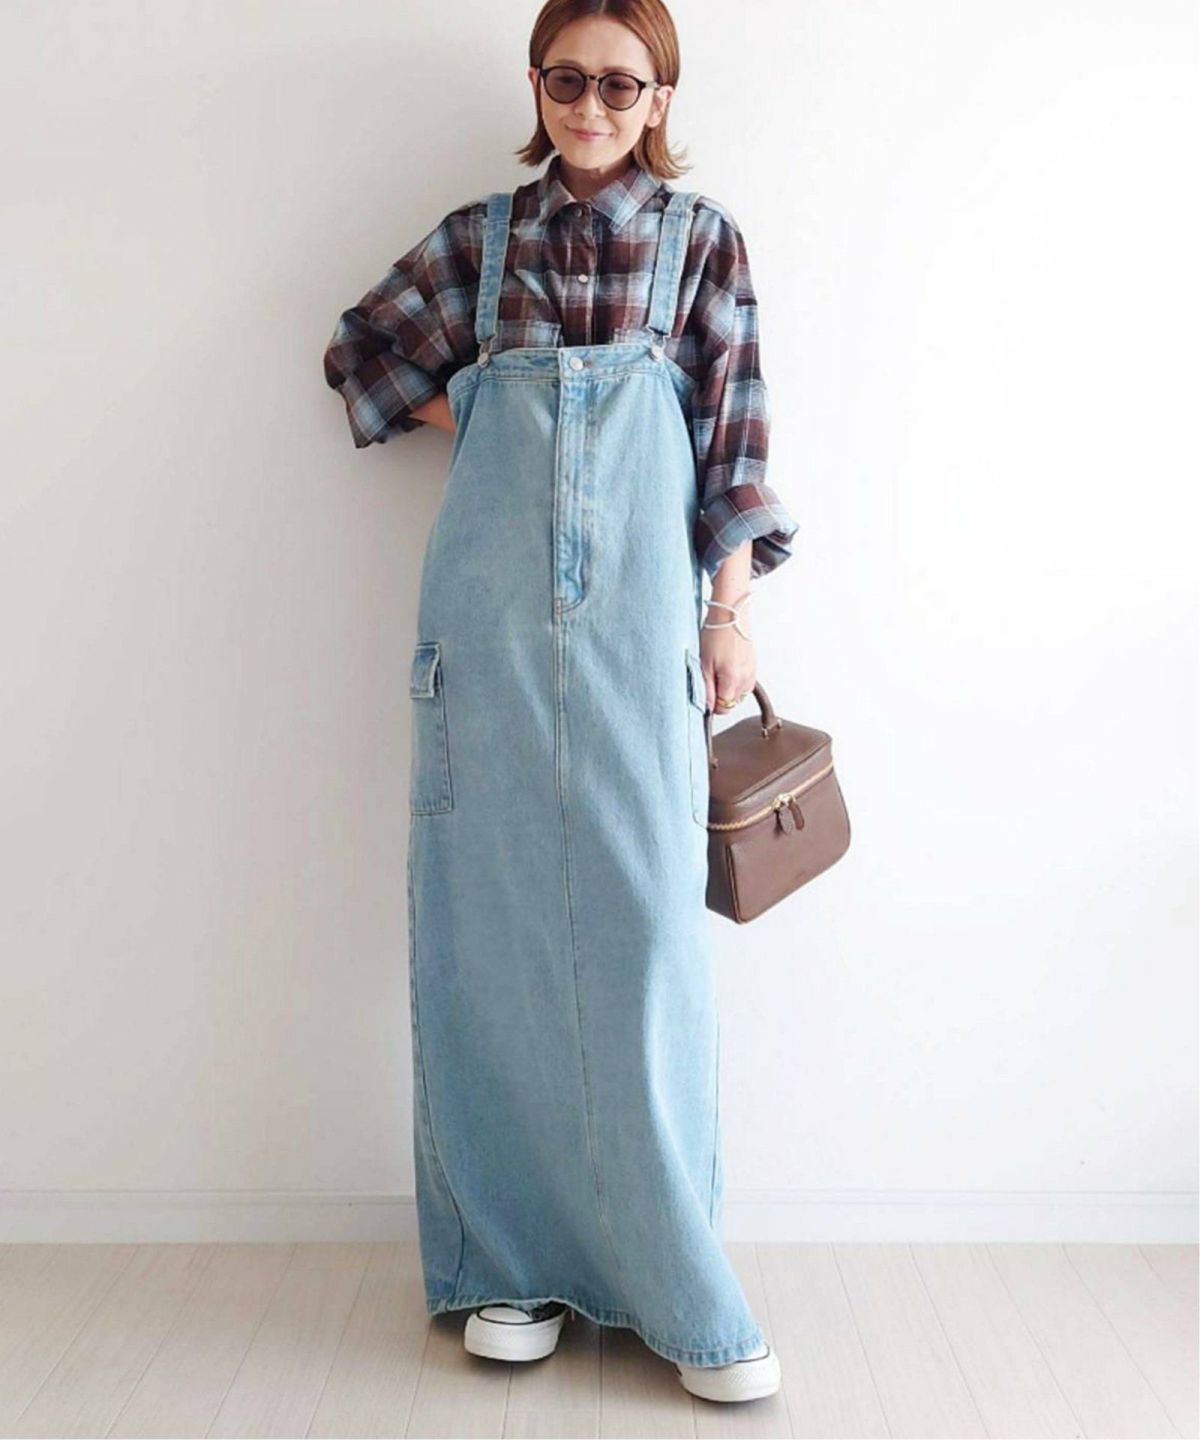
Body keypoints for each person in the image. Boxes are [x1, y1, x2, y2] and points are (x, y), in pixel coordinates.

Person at [322, 0, 797, 1406]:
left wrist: (728, 614)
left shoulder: (701, 245)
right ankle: (506, 1267)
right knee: (489, 934)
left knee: (645, 938)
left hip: (646, 637)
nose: (592, 105)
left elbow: (735, 442)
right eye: (567, 79)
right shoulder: (479, 243)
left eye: (621, 84)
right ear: (537, 87)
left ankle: (673, 1282)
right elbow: (360, 355)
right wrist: (479, 405)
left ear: (661, 97)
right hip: (484, 641)